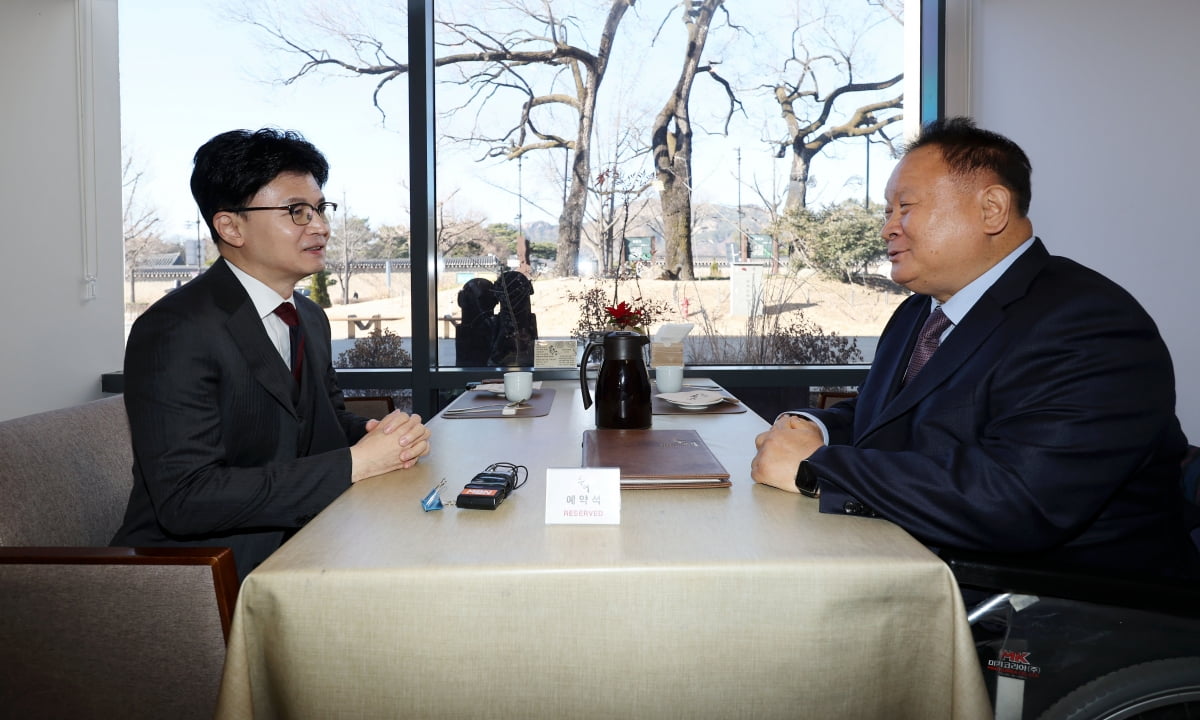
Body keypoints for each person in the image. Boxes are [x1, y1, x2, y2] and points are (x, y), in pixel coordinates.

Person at [751, 117, 1199, 579]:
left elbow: (1016, 502)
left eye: (904, 206)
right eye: (887, 212)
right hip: (923, 565)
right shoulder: (918, 313)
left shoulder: (1091, 325)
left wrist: (817, 468)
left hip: (1061, 610)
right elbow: (890, 417)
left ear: (991, 209)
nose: (887, 228)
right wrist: (813, 428)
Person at [112, 128, 432, 581]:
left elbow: (322, 421)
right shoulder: (174, 329)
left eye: (321, 209)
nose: (319, 225)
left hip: (311, 538)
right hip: (205, 572)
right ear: (230, 226)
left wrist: (377, 432)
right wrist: (356, 462)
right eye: (296, 212)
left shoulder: (310, 316)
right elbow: (187, 498)